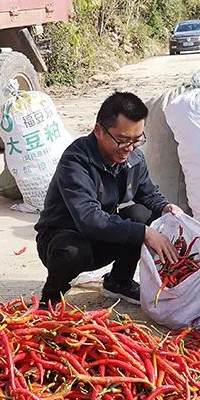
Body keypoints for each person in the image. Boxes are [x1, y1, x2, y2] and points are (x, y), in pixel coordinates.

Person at [35, 91, 180, 307]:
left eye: (136, 140)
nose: (129, 149)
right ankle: (51, 297)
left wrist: (166, 207)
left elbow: (148, 194)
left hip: (99, 237)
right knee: (72, 250)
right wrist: (144, 233)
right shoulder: (76, 161)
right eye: (122, 141)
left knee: (140, 214)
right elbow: (89, 219)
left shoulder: (134, 158)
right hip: (62, 238)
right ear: (98, 131)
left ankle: (119, 282)